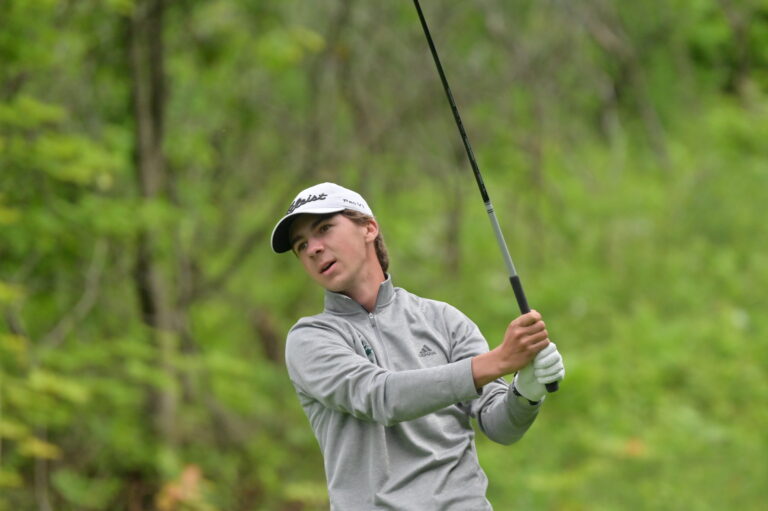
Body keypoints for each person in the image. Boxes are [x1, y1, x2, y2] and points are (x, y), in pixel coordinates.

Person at [271, 182, 565, 511]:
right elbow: (380, 397)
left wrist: (526, 391)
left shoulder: (443, 319)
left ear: (368, 228)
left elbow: (500, 427)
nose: (313, 248)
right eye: (301, 245)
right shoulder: (310, 338)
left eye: (324, 228)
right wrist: (497, 361)